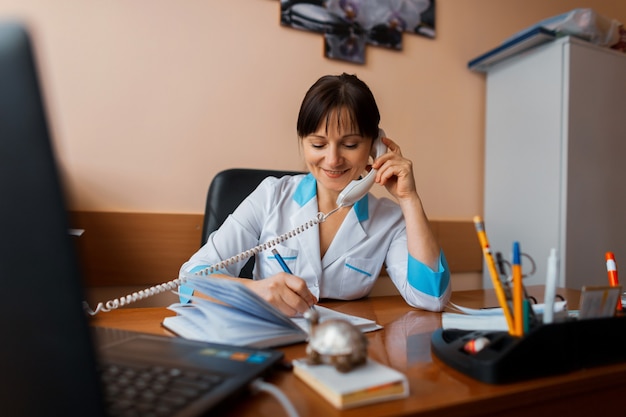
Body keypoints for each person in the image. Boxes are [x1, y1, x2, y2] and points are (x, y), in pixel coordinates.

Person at [179, 73, 451, 316]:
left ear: (375, 145)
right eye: (318, 144)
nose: (332, 160)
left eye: (350, 144)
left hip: (345, 352)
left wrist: (409, 198)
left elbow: (431, 298)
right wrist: (255, 290)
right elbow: (189, 281)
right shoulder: (270, 196)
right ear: (303, 142)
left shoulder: (389, 220)